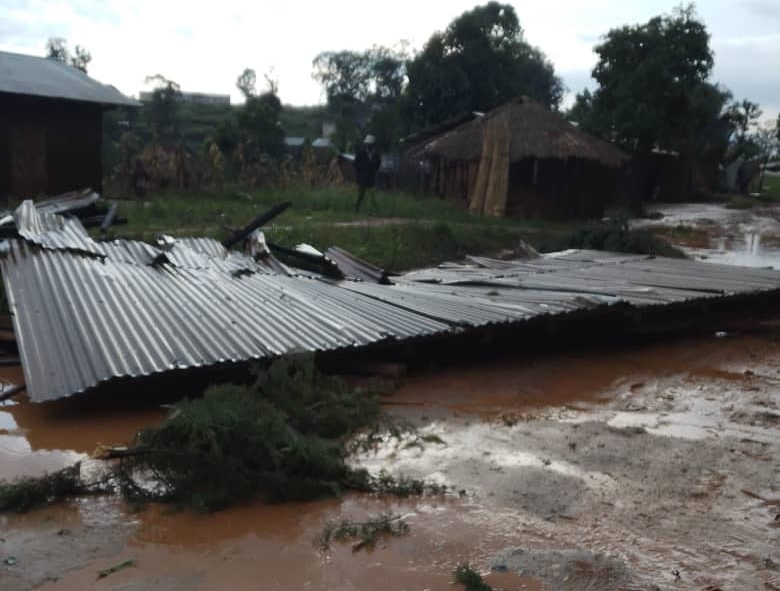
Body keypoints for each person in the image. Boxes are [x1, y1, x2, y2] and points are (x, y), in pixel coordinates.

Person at [353, 134, 381, 212]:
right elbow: (355, 164)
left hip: (371, 177)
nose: (369, 145)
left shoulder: (375, 153)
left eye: (370, 144)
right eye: (368, 144)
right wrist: (365, 166)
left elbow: (378, 164)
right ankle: (356, 208)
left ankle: (375, 209)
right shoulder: (361, 152)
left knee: (373, 194)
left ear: (373, 144)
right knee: (360, 194)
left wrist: (373, 166)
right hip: (362, 177)